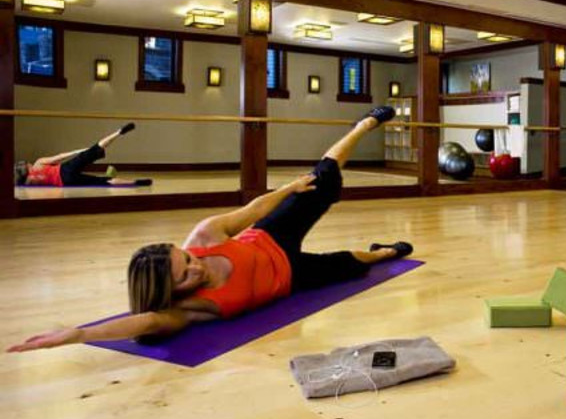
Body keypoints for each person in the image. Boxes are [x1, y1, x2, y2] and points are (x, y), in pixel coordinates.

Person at [8, 106, 413, 352]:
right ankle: (384, 250)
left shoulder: (202, 237)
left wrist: (291, 187)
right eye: (185, 275)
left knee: (322, 178)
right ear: (169, 292)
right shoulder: (185, 310)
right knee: (354, 264)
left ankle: (362, 126)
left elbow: (253, 210)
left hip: (269, 236)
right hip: (291, 276)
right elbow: (146, 323)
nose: (194, 268)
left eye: (186, 260)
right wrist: (78, 334)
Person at [14, 123, 152, 187]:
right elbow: (60, 156)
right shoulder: (39, 163)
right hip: (65, 169)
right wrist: (78, 152)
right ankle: (118, 132)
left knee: (103, 181)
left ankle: (137, 182)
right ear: (26, 165)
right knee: (97, 146)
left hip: (66, 182)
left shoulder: (28, 182)